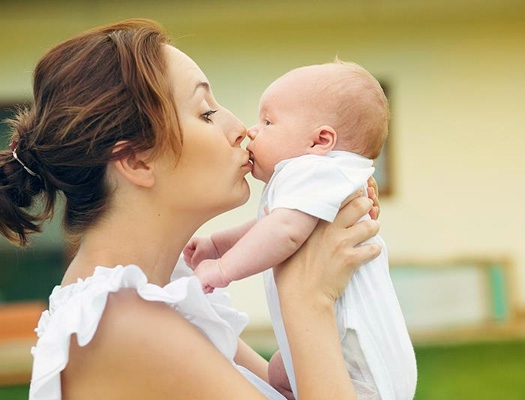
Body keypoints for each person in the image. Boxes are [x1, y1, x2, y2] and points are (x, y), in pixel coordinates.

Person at [0, 19, 384, 400]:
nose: (242, 129)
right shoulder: (122, 326)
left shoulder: (164, 296)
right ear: (136, 161)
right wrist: (308, 300)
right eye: (206, 112)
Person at [184, 61, 417, 399]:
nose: (251, 130)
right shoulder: (322, 178)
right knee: (278, 375)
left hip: (358, 368)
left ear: (320, 140)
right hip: (361, 357)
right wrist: (218, 244)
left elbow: (285, 231)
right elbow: (274, 224)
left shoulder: (310, 170)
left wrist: (223, 268)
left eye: (268, 122)